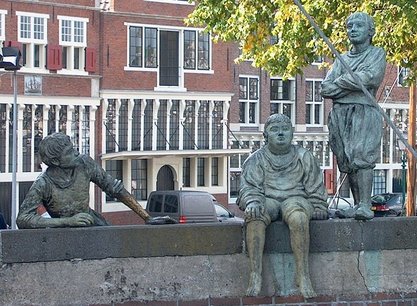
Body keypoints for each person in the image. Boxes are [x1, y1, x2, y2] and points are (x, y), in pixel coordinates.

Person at [237, 114, 328, 298]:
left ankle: (303, 275)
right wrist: (252, 202)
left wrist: (318, 205)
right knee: (255, 217)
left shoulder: (304, 157)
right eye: (275, 130)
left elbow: (315, 186)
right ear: (265, 135)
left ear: (292, 133)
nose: (280, 134)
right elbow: (248, 188)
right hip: (267, 199)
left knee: (299, 218)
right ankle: (255, 274)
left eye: (285, 129)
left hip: (296, 198)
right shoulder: (255, 160)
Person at [321, 12, 386, 220]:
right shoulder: (342, 59)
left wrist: (340, 84)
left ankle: (366, 205)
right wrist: (352, 83)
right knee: (346, 160)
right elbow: (325, 88)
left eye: (358, 26)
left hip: (363, 111)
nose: (353, 30)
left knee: (362, 156)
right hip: (340, 114)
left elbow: (370, 77)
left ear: (370, 31)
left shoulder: (377, 53)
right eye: (349, 26)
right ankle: (358, 204)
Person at [16, 132, 150, 229]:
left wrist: (147, 217)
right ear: (55, 161)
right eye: (69, 152)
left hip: (93, 223)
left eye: (73, 148)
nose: (76, 153)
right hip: (64, 235)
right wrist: (68, 221)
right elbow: (23, 218)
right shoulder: (43, 183)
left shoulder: (84, 163)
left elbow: (115, 189)